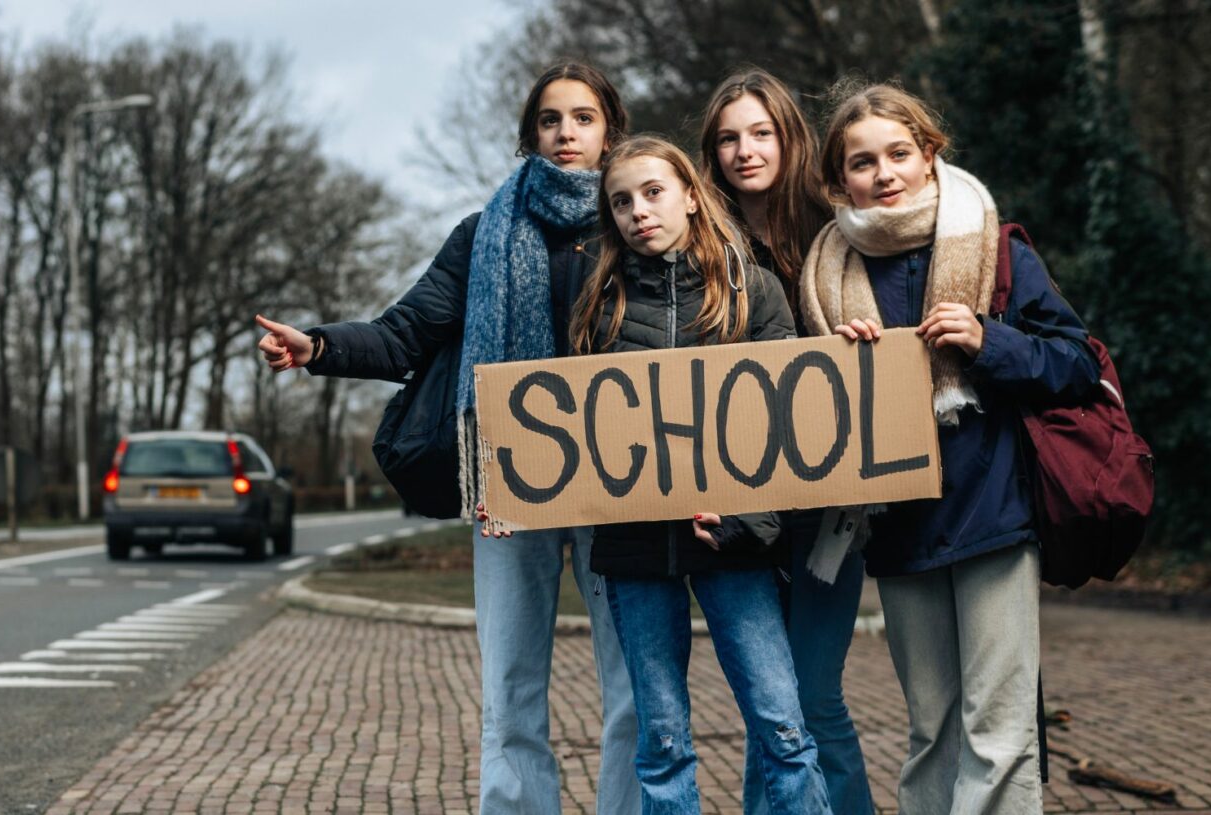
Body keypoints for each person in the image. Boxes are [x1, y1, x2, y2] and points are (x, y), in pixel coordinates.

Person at [255, 62, 641, 815]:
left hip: (619, 479)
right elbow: (405, 332)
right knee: (510, 684)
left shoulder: (637, 221)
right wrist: (320, 346)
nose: (566, 133)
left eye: (583, 118)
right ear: (530, 134)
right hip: (512, 477)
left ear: (609, 131)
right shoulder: (483, 234)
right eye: (550, 119)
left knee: (634, 684)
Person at [801, 81, 1100, 814]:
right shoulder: (824, 273)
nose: (885, 173)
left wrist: (987, 340)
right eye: (863, 162)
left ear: (930, 154)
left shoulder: (995, 246)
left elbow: (1077, 365)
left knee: (999, 731)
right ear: (840, 179)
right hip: (899, 527)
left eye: (899, 153)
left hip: (993, 515)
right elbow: (809, 414)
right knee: (932, 730)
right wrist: (838, 361)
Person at [565, 134, 831, 815]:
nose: (638, 211)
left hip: (734, 546)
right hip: (635, 551)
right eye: (620, 201)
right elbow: (580, 439)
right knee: (661, 741)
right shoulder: (598, 309)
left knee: (783, 726)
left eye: (653, 192)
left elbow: (786, 424)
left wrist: (751, 522)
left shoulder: (752, 292)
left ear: (690, 195)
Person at [697, 68, 873, 815]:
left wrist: (862, 336)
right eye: (728, 138)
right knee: (772, 707)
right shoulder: (699, 251)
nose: (745, 151)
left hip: (832, 504)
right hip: (742, 509)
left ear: (788, 138)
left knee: (814, 693)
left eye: (761, 133)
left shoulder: (841, 233)